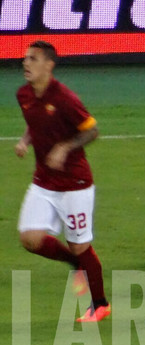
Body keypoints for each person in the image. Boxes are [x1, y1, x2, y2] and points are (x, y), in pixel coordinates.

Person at [15, 40, 110, 322]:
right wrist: (24, 140)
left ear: (49, 64)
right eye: (25, 59)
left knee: (81, 244)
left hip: (75, 183)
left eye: (32, 59)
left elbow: (92, 131)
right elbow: (35, 123)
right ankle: (73, 262)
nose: (25, 63)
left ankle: (101, 303)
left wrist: (65, 147)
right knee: (29, 239)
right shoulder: (24, 95)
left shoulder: (65, 98)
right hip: (44, 181)